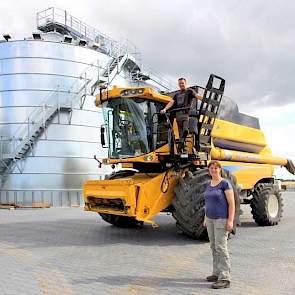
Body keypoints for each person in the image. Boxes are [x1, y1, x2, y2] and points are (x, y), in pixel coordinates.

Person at [203, 160, 235, 289]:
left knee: (221, 248)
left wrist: (230, 220)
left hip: (221, 219)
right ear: (209, 170)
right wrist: (205, 218)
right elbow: (207, 203)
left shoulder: (225, 184)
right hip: (210, 219)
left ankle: (225, 278)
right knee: (213, 246)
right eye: (211, 168)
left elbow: (232, 204)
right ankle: (216, 273)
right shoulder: (208, 184)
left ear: (220, 169)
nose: (214, 170)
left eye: (216, 168)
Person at [160, 78, 202, 153]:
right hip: (178, 114)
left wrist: (204, 99)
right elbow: (171, 102)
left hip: (185, 114)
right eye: (180, 83)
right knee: (180, 133)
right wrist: (165, 109)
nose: (181, 85)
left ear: (185, 83)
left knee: (185, 130)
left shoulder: (189, 91)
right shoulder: (177, 94)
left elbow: (197, 96)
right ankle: (183, 149)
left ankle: (181, 144)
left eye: (182, 83)